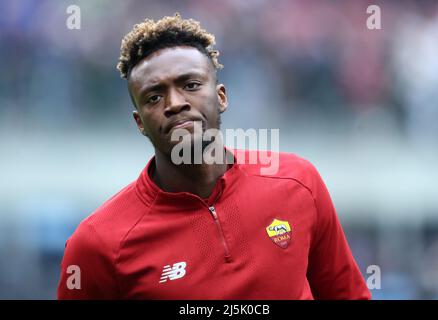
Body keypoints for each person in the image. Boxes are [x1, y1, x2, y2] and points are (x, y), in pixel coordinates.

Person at [57, 13, 371, 300]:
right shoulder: (98, 243)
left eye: (190, 85)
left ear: (221, 96)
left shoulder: (298, 182)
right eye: (154, 97)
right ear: (140, 123)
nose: (175, 103)